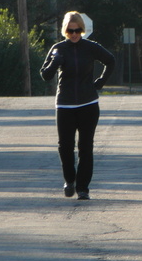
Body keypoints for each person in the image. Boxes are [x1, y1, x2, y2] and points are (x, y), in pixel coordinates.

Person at [40, 11, 115, 200]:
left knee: (85, 146)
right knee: (65, 146)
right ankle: (69, 179)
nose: (74, 34)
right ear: (65, 30)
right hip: (65, 105)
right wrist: (55, 62)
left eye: (78, 30)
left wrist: (99, 82)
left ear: (82, 30)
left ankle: (83, 188)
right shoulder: (58, 48)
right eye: (71, 30)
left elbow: (110, 61)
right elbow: (45, 75)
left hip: (88, 103)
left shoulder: (90, 47)